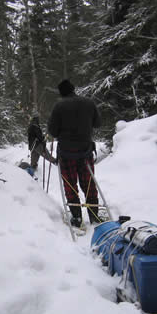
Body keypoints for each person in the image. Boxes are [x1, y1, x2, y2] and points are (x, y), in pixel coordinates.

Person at [48, 79, 102, 228]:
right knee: (89, 183)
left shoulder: (58, 106)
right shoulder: (89, 102)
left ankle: (77, 217)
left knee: (70, 184)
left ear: (61, 92)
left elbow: (52, 131)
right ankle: (94, 216)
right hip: (85, 151)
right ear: (73, 89)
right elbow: (98, 123)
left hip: (66, 153)